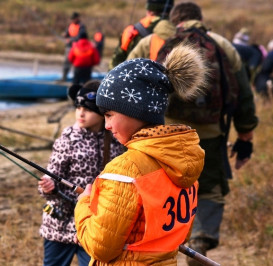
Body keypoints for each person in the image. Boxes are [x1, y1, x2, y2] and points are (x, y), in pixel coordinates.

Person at [74, 45, 206, 265]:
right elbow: (180, 235)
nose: (106, 125)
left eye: (109, 114)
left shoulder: (125, 170)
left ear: (134, 111)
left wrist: (83, 204)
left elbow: (100, 247)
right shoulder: (183, 163)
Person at [158, 3, 259, 265]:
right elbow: (244, 95)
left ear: (175, 21)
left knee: (164, 184)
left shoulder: (157, 42)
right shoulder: (223, 45)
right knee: (210, 186)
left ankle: (161, 238)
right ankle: (201, 239)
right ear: (200, 19)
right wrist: (245, 135)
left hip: (166, 132)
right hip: (210, 132)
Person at [38, 80, 125, 266]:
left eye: (88, 109)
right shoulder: (68, 138)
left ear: (103, 113)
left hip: (94, 224)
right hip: (60, 224)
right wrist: (49, 187)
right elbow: (51, 175)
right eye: (78, 107)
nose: (81, 113)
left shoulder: (118, 141)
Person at [109, 0, 174, 69]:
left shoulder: (131, 31)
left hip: (130, 75)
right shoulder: (179, 31)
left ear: (148, 10)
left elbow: (115, 62)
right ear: (171, 10)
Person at [61, 12, 87, 81]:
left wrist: (71, 39)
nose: (73, 20)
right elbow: (67, 32)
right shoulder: (70, 25)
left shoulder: (81, 26)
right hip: (69, 47)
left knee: (77, 63)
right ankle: (64, 77)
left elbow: (80, 36)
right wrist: (65, 34)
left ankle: (76, 79)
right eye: (72, 19)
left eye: (74, 19)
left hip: (78, 48)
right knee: (67, 61)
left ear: (77, 18)